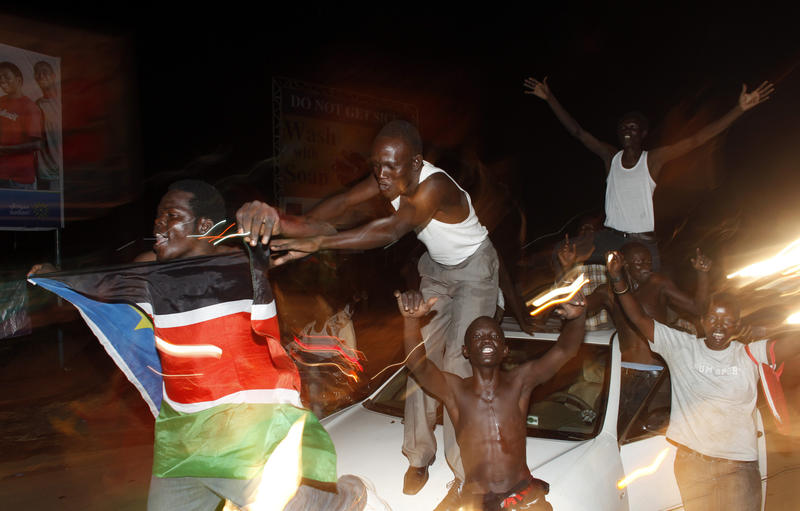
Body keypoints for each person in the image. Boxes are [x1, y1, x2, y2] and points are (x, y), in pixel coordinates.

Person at [30, 180, 364, 511]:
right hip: (181, 433)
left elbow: (320, 232)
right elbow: (103, 285)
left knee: (282, 503)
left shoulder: (242, 260)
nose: (159, 225)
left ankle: (334, 500)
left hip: (232, 426)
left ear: (203, 226)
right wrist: (58, 277)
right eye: (158, 217)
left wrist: (273, 218)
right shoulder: (151, 269)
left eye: (171, 216)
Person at [236, 120, 500, 499]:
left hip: (474, 271)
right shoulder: (386, 178)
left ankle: (464, 474)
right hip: (438, 271)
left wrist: (320, 243)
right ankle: (419, 455)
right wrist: (286, 226)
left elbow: (392, 230)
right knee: (419, 358)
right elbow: (338, 208)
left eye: (392, 166)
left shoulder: (436, 186)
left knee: (458, 369)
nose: (382, 175)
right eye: (377, 165)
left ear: (416, 163)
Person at [606, 250, 800, 511]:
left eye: (727, 320)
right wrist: (618, 280)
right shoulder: (680, 346)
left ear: (737, 324)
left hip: (739, 466)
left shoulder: (750, 353)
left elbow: (792, 344)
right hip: (693, 465)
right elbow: (639, 317)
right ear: (701, 319)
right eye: (712, 318)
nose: (718, 326)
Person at [523, 76, 774, 270]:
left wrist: (739, 109)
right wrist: (549, 98)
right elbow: (578, 132)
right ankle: (559, 301)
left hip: (642, 242)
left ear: (643, 133)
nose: (627, 132)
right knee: (560, 253)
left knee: (652, 290)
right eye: (623, 128)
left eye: (633, 128)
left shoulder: (652, 160)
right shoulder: (611, 157)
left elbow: (697, 139)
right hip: (609, 239)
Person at [394, 286, 585, 510]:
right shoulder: (456, 391)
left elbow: (564, 351)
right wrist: (410, 321)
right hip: (477, 501)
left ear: (505, 349)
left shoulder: (519, 383)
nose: (487, 340)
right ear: (466, 351)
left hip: (522, 494)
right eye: (478, 336)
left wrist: (577, 319)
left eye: (494, 336)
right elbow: (420, 367)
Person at [0, 61, 42, 189]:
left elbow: (36, 144)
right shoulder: (0, 101)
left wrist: (4, 149)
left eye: (6, 76)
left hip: (19, 179)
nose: (1, 80)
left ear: (18, 80)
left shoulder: (30, 108)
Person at [34, 61, 62, 191]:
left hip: (69, 172)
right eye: (37, 72)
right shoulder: (36, 106)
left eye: (44, 71)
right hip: (47, 174)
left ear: (53, 76)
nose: (41, 75)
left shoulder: (64, 103)